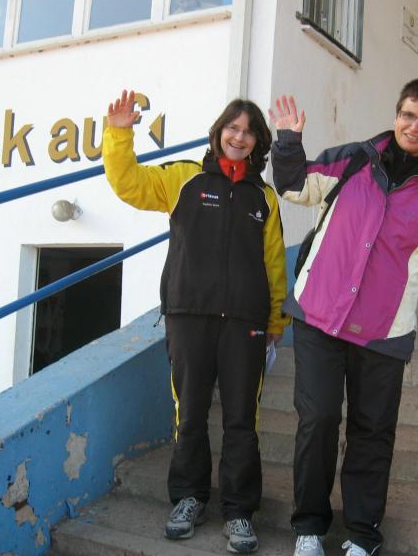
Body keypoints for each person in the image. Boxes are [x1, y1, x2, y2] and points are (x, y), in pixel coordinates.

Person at [268, 79, 418, 556]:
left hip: (383, 332)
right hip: (319, 316)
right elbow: (294, 186)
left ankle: (362, 534)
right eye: (409, 115)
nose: (414, 126)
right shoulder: (354, 160)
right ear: (396, 114)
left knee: (372, 433)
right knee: (318, 420)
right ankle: (309, 528)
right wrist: (288, 142)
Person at [102, 90, 289, 554]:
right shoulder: (184, 178)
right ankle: (189, 498)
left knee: (242, 419)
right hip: (188, 315)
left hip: (245, 321)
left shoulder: (264, 198)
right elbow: (129, 183)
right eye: (233, 128)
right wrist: (119, 135)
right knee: (190, 413)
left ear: (258, 142)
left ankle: (240, 511)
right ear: (219, 131)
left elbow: (273, 262)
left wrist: (276, 319)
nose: (239, 137)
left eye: (249, 132)